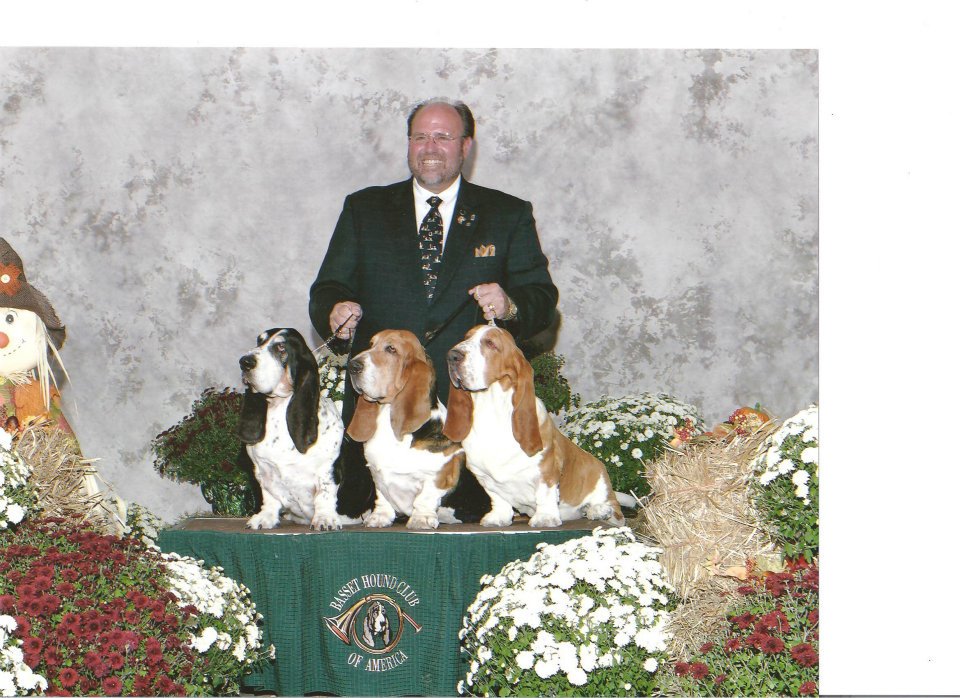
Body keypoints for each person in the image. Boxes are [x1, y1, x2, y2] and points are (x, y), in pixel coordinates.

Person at [309, 98, 558, 423]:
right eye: (420, 137)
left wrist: (509, 306)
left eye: (443, 137)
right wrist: (335, 312)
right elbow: (327, 288)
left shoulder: (507, 215)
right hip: (379, 408)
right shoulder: (364, 209)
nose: (430, 148)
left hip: (471, 411)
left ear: (466, 146)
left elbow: (541, 299)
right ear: (409, 143)